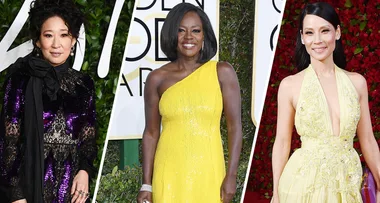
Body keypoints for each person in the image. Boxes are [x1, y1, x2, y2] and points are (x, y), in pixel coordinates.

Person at [271, 2, 380, 203]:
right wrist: (276, 194)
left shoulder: (357, 83)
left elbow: (368, 140)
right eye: (310, 33)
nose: (318, 40)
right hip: (302, 185)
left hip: (348, 183)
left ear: (337, 33)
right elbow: (282, 142)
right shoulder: (290, 86)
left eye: (325, 31)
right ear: (302, 37)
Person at [136, 3, 242, 203]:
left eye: (196, 30)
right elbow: (151, 133)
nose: (188, 37)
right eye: (181, 31)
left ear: (204, 35)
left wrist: (231, 175)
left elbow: (234, 127)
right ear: (171, 34)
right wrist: (146, 184)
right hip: (168, 176)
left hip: (210, 175)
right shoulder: (157, 79)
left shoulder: (222, 72)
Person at [0, 0, 97, 202]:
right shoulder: (19, 79)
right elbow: (9, 144)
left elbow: (88, 139)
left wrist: (84, 172)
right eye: (48, 35)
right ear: (37, 40)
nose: (56, 44)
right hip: (30, 190)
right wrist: (16, 196)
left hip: (72, 191)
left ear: (73, 40)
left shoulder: (84, 84)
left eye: (64, 35)